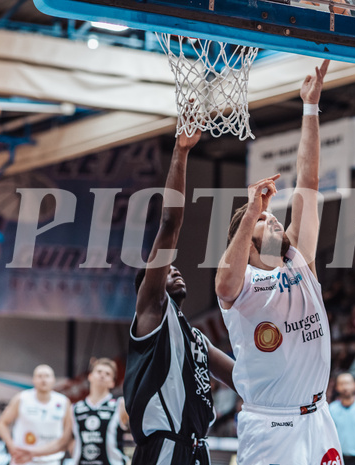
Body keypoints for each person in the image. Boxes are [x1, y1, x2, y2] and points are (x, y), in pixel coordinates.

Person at [215, 60, 343, 465]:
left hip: (318, 418)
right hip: (272, 427)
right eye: (265, 223)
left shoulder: (299, 262)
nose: (275, 220)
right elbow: (222, 285)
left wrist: (310, 107)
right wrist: (252, 210)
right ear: (249, 243)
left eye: (273, 217)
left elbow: (308, 182)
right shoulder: (243, 284)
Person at [123, 129, 235, 465]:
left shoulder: (197, 340)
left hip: (198, 450)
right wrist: (181, 151)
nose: (175, 270)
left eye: (175, 268)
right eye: (167, 270)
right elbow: (170, 223)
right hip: (164, 449)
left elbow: (242, 379)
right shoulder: (153, 316)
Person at [15, 358, 129, 465]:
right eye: (99, 371)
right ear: (90, 376)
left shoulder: (120, 405)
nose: (102, 375)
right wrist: (32, 453)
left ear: (112, 383)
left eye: (108, 374)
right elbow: (63, 442)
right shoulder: (75, 408)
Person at [0, 364, 71, 465]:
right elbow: (2, 423)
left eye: (47, 376)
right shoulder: (22, 398)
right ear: (33, 380)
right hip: (23, 460)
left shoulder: (63, 402)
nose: (43, 380)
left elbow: (67, 436)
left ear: (53, 380)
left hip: (51, 460)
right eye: (39, 376)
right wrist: (11, 445)